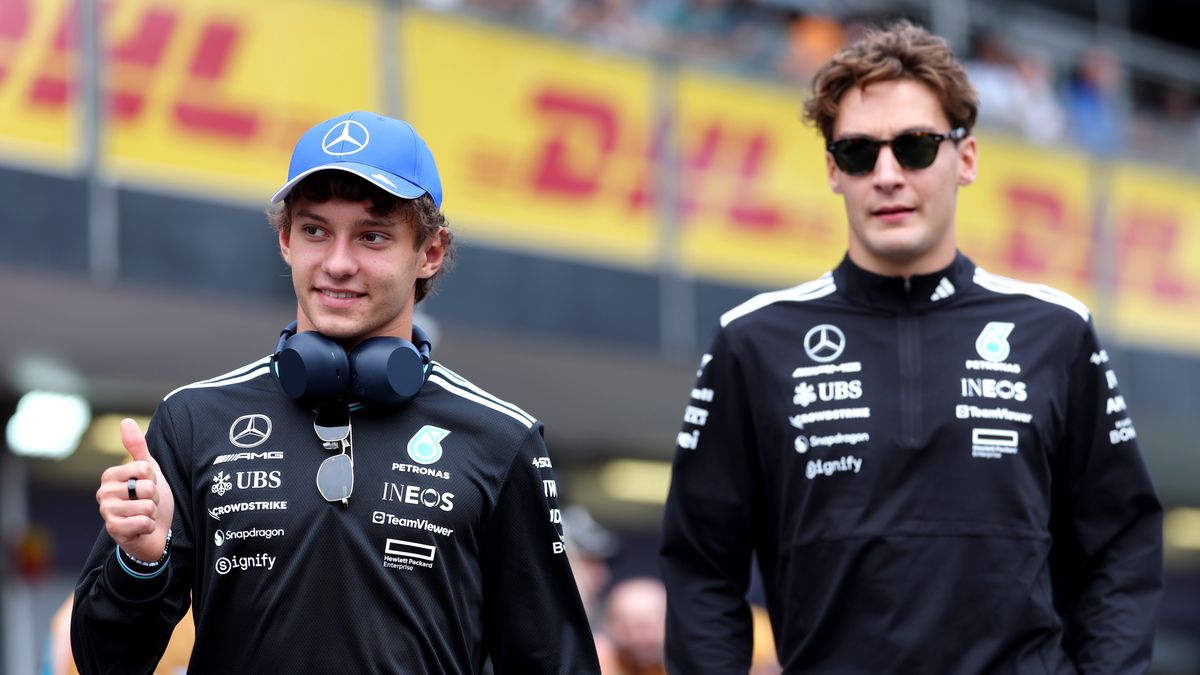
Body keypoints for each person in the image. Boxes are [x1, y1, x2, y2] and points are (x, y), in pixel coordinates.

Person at [660, 21, 1163, 673]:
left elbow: (1121, 543)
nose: (888, 174)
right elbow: (702, 565)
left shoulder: (1057, 331)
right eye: (859, 153)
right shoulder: (752, 339)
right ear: (833, 172)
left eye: (916, 147)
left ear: (968, 158)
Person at [70, 111, 601, 674]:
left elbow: (555, 664)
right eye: (315, 231)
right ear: (284, 240)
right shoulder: (193, 420)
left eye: (372, 236)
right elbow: (104, 663)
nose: (338, 263)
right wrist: (139, 564)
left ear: (431, 252)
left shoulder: (500, 439)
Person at [599, 577, 667, 675]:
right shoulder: (598, 661)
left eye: (648, 625)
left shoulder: (685, 662)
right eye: (627, 626)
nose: (641, 636)